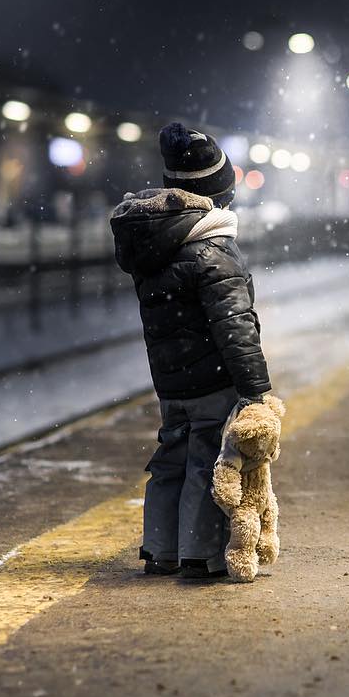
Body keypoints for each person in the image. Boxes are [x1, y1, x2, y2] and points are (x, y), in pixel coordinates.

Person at [110, 123, 272, 578]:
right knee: (209, 460)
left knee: (170, 460)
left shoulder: (156, 243)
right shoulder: (214, 249)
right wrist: (256, 390)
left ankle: (160, 550)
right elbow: (235, 326)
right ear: (218, 194)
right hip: (212, 377)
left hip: (170, 378)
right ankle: (199, 555)